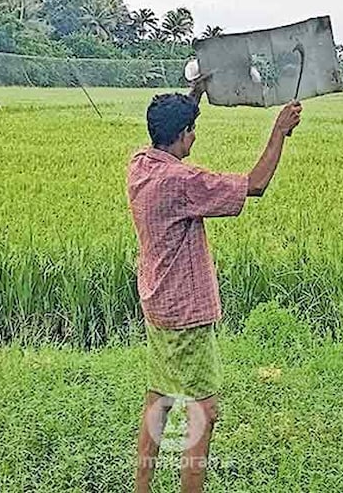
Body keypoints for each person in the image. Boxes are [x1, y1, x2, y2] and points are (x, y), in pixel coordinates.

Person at [128, 77, 301, 493]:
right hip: (186, 313)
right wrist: (279, 130)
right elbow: (255, 184)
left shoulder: (141, 165)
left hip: (157, 305)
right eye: (192, 130)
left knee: (159, 399)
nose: (195, 137)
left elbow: (172, 131)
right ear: (182, 134)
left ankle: (142, 487)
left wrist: (194, 97)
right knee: (203, 414)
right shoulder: (181, 182)